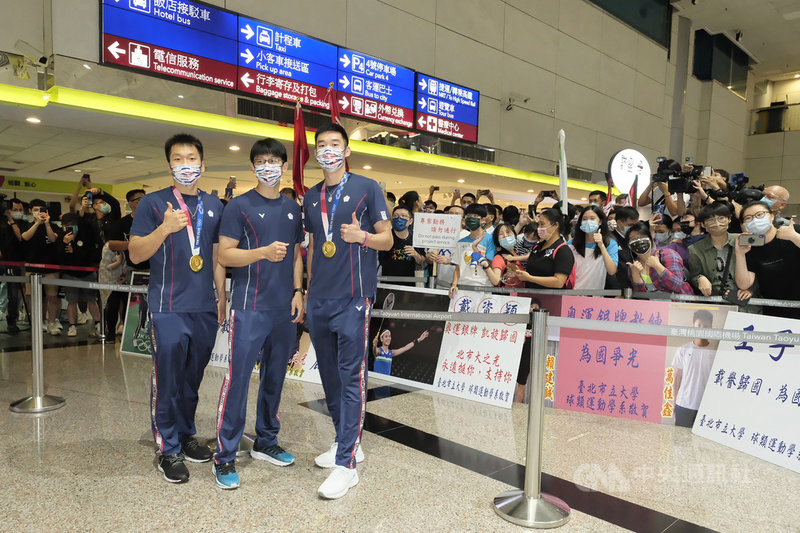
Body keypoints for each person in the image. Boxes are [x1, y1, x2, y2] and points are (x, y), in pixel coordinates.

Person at [129, 133, 226, 484]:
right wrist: (165, 228)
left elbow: (215, 257)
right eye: (178, 158)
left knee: (192, 379)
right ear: (169, 164)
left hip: (203, 308)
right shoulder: (153, 204)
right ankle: (168, 448)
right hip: (168, 306)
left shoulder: (215, 206)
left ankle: (185, 434)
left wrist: (221, 297)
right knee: (168, 380)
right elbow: (136, 253)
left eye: (191, 158)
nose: (186, 164)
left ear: (202, 163)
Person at [303, 123, 392, 499]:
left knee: (351, 376)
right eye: (321, 144)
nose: (327, 150)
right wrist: (306, 292)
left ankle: (347, 465)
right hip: (319, 298)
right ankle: (348, 442)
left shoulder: (367, 187)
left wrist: (363, 237)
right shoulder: (310, 196)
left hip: (355, 297)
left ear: (347, 150)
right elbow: (312, 245)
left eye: (334, 144)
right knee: (331, 378)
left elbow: (388, 239)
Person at [212, 138, 305, 490]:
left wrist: (298, 291)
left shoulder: (292, 208)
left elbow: (296, 254)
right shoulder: (239, 206)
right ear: (253, 167)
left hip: (284, 307)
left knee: (274, 379)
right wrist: (262, 253)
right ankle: (224, 456)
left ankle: (266, 441)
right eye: (261, 161)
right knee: (236, 382)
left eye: (275, 161)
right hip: (250, 307)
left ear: (284, 166)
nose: (269, 166)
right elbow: (225, 256)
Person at [735, 200, 800, 319]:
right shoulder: (750, 247)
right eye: (748, 218)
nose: (754, 220)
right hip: (773, 309)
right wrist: (739, 254)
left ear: (771, 216)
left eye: (759, 215)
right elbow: (744, 284)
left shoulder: (794, 231)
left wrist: (794, 237)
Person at [105, 189, 148, 340]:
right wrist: (132, 245)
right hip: (130, 269)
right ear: (130, 203)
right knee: (123, 301)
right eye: (138, 199)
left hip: (152, 269)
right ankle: (116, 332)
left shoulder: (155, 220)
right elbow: (112, 244)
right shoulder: (123, 223)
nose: (142, 202)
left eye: (145, 198)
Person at [687, 202, 751, 301]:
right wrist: (700, 278)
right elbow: (694, 275)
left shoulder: (742, 240)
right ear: (703, 225)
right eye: (711, 220)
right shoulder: (695, 249)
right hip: (717, 300)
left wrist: (751, 289)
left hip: (745, 299)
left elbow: (756, 268)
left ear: (729, 219)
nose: (717, 223)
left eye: (721, 218)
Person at [19, 199, 63, 335]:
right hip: (32, 266)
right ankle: (38, 321)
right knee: (31, 295)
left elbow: (53, 239)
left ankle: (51, 323)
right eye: (36, 210)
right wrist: (37, 223)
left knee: (52, 296)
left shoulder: (54, 226)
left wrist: (47, 224)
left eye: (42, 210)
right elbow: (25, 237)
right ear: (31, 211)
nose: (39, 213)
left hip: (51, 266)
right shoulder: (27, 225)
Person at [58, 206, 103, 337]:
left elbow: (92, 254)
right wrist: (66, 244)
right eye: (66, 225)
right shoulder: (62, 237)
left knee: (91, 300)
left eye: (72, 225)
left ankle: (98, 323)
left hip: (87, 273)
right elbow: (59, 256)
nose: (70, 228)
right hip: (70, 274)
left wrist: (75, 251)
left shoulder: (86, 235)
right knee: (72, 300)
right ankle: (72, 326)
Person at [509, 208, 574, 290]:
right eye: (538, 224)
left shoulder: (563, 250)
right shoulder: (539, 245)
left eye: (542, 224)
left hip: (552, 299)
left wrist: (530, 278)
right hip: (531, 295)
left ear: (555, 225)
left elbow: (559, 282)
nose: (539, 228)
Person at [672, 310, 717, 428]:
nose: (702, 329)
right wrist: (674, 402)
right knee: (681, 443)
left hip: (707, 407)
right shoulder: (683, 350)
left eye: (706, 326)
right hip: (684, 404)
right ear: (693, 326)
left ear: (711, 327)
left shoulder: (716, 352)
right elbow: (677, 377)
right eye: (699, 326)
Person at [626, 221, 693, 294]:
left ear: (650, 239)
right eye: (633, 239)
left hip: (677, 302)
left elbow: (677, 286)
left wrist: (658, 266)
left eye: (642, 237)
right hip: (653, 304)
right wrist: (636, 277)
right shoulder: (633, 267)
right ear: (629, 245)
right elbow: (641, 298)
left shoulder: (667, 254)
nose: (639, 240)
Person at [448, 203, 497, 296]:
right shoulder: (461, 242)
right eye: (468, 216)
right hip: (463, 287)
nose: (471, 219)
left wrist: (477, 253)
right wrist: (454, 284)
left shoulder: (490, 239)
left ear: (483, 220)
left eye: (475, 216)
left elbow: (491, 264)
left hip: (483, 288)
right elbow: (457, 268)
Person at [568, 205, 618, 289]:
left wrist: (601, 246)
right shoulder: (571, 243)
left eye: (592, 218)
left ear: (600, 222)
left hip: (595, 296)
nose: (588, 222)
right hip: (573, 293)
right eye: (584, 219)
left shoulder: (610, 243)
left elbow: (612, 271)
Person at [378, 204, 425, 284]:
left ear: (410, 221)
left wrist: (415, 254)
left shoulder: (416, 238)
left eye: (403, 216)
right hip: (387, 283)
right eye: (395, 216)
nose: (399, 219)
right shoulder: (386, 237)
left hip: (409, 284)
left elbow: (423, 262)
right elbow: (381, 261)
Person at [0, 198, 24, 333]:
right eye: (15, 210)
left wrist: (11, 219)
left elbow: (20, 237)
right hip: (2, 260)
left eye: (20, 210)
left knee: (13, 294)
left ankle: (12, 320)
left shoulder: (21, 223)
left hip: (13, 261)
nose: (18, 212)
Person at [607, 206, 638, 290]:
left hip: (633, 287)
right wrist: (616, 292)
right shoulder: (609, 240)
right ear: (619, 223)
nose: (633, 228)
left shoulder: (635, 238)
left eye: (635, 225)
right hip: (616, 290)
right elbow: (609, 270)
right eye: (630, 225)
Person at [486, 223, 525, 289]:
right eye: (501, 234)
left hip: (521, 295)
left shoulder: (517, 253)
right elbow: (495, 281)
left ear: (515, 235)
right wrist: (485, 266)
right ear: (497, 240)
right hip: (508, 297)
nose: (505, 235)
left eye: (508, 232)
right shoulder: (499, 258)